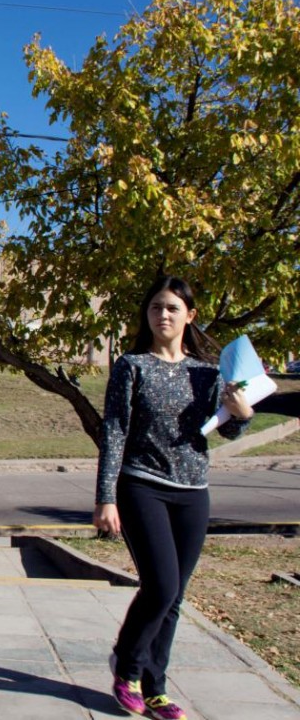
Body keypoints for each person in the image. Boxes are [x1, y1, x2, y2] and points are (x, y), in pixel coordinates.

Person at [94, 276, 253, 720]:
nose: (162, 315)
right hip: (142, 485)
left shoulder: (208, 373)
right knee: (160, 586)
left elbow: (226, 427)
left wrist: (242, 416)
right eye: (155, 307)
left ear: (189, 315)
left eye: (171, 308)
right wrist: (106, 497)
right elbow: (115, 432)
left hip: (193, 494)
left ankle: (155, 688)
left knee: (175, 596)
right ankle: (127, 668)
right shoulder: (132, 365)